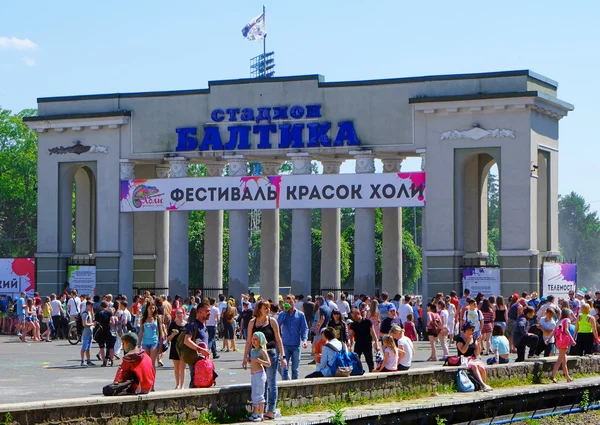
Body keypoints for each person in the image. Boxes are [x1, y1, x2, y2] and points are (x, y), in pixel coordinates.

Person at [243, 300, 285, 420]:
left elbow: (278, 339)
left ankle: (271, 410)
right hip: (256, 354)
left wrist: (283, 356)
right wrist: (245, 357)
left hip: (270, 353)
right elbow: (248, 341)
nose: (267, 310)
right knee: (262, 383)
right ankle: (262, 410)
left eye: (268, 308)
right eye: (265, 308)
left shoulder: (272, 321)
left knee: (271, 382)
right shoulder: (253, 322)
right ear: (259, 309)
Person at [277, 295, 308, 380]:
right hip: (285, 345)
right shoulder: (282, 314)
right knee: (284, 369)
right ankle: (286, 386)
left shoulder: (300, 315)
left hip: (296, 345)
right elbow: (278, 324)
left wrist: (304, 340)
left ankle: (294, 388)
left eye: (290, 302)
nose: (289, 304)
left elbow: (304, 328)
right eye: (287, 303)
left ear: (294, 302)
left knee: (295, 369)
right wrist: (284, 312)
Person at [455, 322, 493, 392]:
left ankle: (484, 385)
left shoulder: (473, 339)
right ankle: (483, 385)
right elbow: (463, 351)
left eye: (473, 330)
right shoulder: (459, 339)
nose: (472, 331)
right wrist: (467, 342)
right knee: (474, 366)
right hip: (464, 359)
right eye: (471, 330)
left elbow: (477, 353)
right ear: (466, 330)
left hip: (473, 358)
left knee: (481, 367)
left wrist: (478, 343)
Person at [184, 302, 212, 388]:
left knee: (204, 383)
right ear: (200, 312)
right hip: (195, 360)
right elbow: (186, 340)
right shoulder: (193, 325)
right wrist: (200, 350)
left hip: (203, 360)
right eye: (207, 311)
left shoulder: (204, 326)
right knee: (195, 382)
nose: (209, 313)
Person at [247, 331, 271, 422]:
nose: (254, 341)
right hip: (253, 374)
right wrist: (249, 361)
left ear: (260, 340)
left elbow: (268, 363)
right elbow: (253, 362)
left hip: (260, 374)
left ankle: (261, 414)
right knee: (254, 395)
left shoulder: (262, 351)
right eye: (253, 339)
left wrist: (259, 360)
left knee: (260, 395)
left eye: (256, 339)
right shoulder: (253, 350)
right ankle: (255, 413)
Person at [349, 308, 380, 372]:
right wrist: (349, 344)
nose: (353, 318)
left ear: (358, 314)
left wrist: (376, 343)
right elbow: (350, 335)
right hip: (358, 344)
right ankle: (357, 373)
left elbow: (373, 333)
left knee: (369, 361)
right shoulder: (353, 324)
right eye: (352, 316)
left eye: (354, 316)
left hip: (367, 344)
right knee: (355, 360)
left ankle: (372, 373)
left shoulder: (367, 321)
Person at [551, 308, 576, 383]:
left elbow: (554, 331)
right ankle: (552, 375)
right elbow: (566, 330)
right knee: (559, 359)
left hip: (558, 340)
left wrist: (548, 339)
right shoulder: (567, 320)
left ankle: (568, 377)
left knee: (564, 360)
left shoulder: (559, 321)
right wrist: (572, 340)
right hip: (564, 341)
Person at [137, 301, 164, 370]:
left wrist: (161, 344)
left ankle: (152, 379)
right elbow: (141, 332)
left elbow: (161, 332)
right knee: (147, 362)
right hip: (145, 342)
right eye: (150, 308)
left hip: (154, 342)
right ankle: (148, 379)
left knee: (152, 362)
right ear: (147, 309)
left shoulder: (157, 319)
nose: (152, 310)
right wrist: (139, 343)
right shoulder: (143, 320)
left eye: (153, 308)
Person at [167, 308, 188, 389]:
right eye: (177, 313)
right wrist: (173, 334)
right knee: (176, 368)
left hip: (184, 348)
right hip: (175, 347)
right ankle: (177, 384)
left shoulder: (187, 325)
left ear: (184, 314)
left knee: (183, 367)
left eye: (181, 313)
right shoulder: (173, 325)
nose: (179, 315)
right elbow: (168, 338)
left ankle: (182, 385)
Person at [96, 301, 117, 367]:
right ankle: (112, 361)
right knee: (110, 347)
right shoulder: (109, 312)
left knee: (101, 347)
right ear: (107, 305)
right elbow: (113, 322)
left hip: (101, 331)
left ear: (101, 306)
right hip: (108, 330)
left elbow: (95, 323)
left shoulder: (98, 313)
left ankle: (104, 361)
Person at [80, 302, 96, 367]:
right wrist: (92, 324)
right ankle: (82, 361)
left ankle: (88, 360)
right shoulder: (85, 314)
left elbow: (92, 319)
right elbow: (84, 324)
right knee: (84, 347)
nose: (92, 307)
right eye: (91, 306)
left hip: (90, 332)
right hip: (86, 332)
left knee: (88, 348)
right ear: (87, 305)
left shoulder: (89, 313)